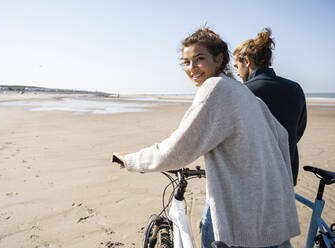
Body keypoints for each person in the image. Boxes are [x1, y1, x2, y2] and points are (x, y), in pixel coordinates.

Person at [113, 28, 300, 248]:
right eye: (186, 62)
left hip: (243, 222)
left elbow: (177, 150)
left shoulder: (215, 88)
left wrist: (132, 160)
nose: (191, 68)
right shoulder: (244, 93)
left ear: (219, 59)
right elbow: (281, 136)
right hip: (273, 214)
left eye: (199, 59)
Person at [233, 28, 307, 186]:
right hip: (286, 175)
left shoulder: (243, 91)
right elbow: (297, 132)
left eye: (236, 66)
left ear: (246, 61)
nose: (237, 73)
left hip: (252, 178)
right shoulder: (295, 88)